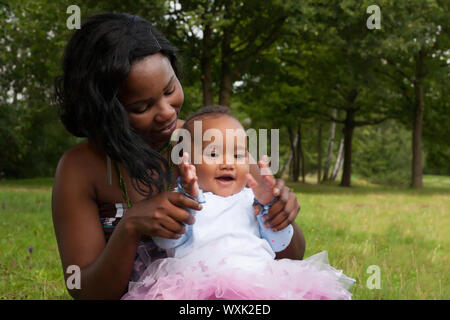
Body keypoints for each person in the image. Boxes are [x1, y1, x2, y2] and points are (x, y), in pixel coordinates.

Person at [52, 13, 304, 300]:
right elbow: (83, 289)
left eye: (170, 89)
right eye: (141, 106)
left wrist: (279, 215)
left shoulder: (211, 143)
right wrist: (130, 227)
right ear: (105, 111)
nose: (167, 112)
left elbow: (290, 259)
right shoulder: (80, 168)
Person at [121, 107, 355, 300]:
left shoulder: (251, 201)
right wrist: (188, 198)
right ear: (187, 161)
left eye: (238, 155)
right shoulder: (185, 200)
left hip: (261, 283)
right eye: (213, 155)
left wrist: (268, 204)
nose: (227, 164)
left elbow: (279, 243)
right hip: (198, 289)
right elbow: (166, 239)